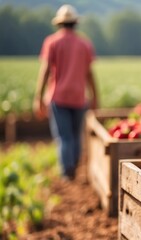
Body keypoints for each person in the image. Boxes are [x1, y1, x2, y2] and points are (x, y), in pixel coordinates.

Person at [33, 4, 99, 180]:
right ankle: (74, 165)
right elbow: (89, 74)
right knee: (76, 136)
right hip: (79, 97)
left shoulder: (52, 42)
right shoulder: (84, 43)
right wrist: (95, 96)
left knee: (64, 137)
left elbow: (46, 70)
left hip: (58, 97)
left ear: (59, 24)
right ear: (75, 23)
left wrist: (38, 97)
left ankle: (67, 171)